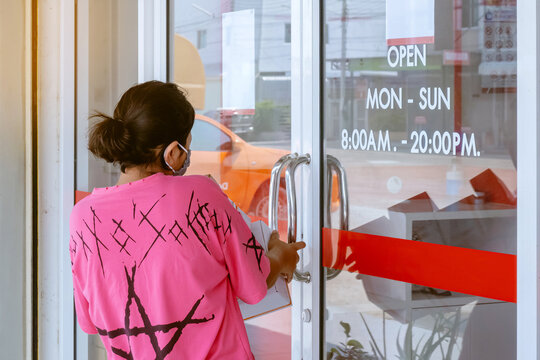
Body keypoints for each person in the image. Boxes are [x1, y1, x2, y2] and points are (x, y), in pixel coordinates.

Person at [69, 80, 305, 359]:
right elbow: (254, 287)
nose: (187, 156)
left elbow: (88, 321)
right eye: (187, 147)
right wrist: (281, 255)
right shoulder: (201, 195)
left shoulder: (82, 217)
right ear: (171, 152)